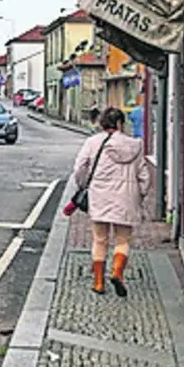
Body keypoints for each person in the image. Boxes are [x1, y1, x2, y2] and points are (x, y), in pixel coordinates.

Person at [66, 106, 150, 297]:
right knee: (123, 240)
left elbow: (79, 168)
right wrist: (140, 195)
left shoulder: (92, 143)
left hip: (99, 196)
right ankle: (117, 273)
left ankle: (98, 283)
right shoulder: (135, 145)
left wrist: (83, 185)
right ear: (120, 123)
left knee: (100, 239)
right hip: (126, 198)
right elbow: (144, 175)